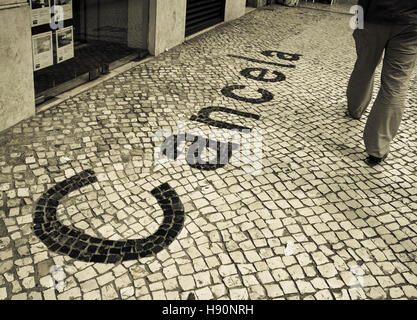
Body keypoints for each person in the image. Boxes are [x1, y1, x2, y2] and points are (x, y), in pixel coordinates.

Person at [346, 0, 417, 166]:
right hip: (411, 24)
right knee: (396, 85)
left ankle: (355, 109)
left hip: (374, 17)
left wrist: (360, 18)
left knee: (364, 67)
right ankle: (377, 149)